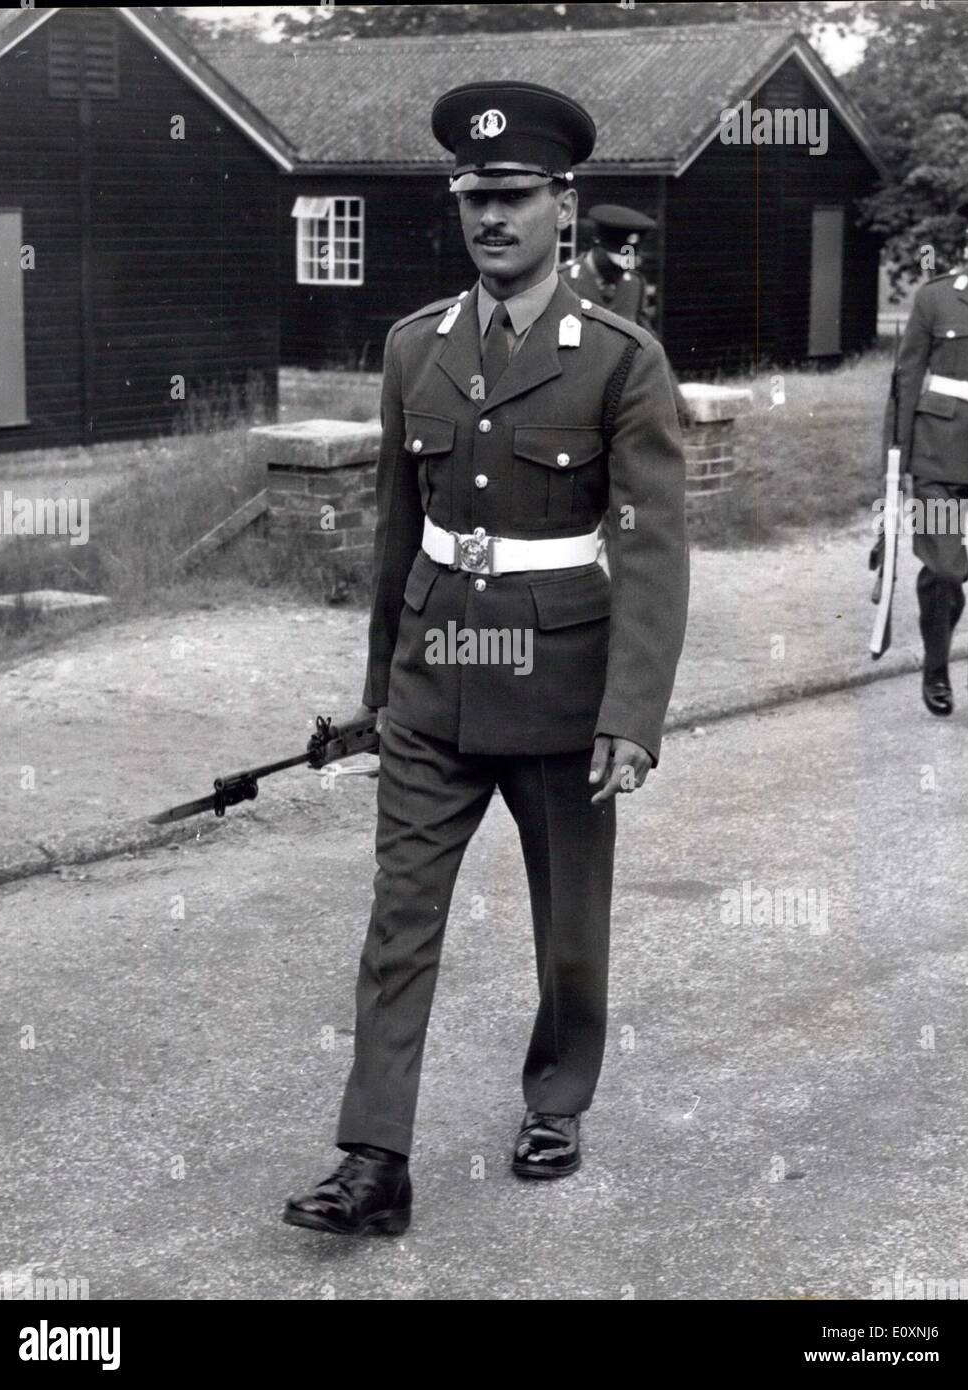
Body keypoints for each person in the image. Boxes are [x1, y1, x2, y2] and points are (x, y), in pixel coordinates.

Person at [283, 80, 689, 1237]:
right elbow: (394, 532)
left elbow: (651, 547)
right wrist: (376, 694)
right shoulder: (416, 347)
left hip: (563, 684)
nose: (492, 219)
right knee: (398, 921)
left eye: (515, 197)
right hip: (430, 684)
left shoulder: (619, 358)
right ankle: (375, 1159)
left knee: (569, 919)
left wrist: (632, 713)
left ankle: (556, 1098)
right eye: (476, 199)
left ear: (565, 203)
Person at [886, 191, 968, 733]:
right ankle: (937, 663)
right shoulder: (937, 298)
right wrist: (895, 463)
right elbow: (904, 382)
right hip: (938, 453)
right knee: (947, 569)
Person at [561, 203, 689, 426]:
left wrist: (675, 397)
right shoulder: (563, 282)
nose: (621, 272)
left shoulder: (634, 284)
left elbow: (650, 345)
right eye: (614, 265)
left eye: (626, 265)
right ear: (597, 245)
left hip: (620, 406)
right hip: (570, 404)